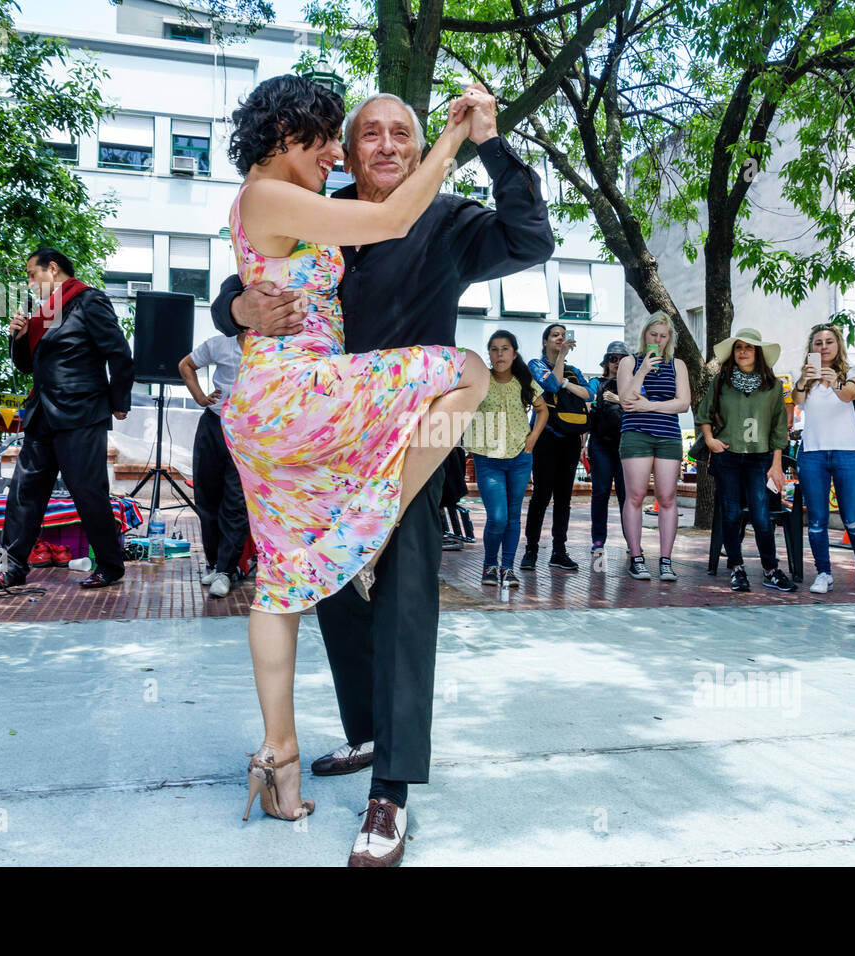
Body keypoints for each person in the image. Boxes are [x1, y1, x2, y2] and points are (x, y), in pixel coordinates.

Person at [212, 85, 553, 866]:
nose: (386, 145)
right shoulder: (312, 200)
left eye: (405, 132)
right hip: (322, 430)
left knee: (401, 605)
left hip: (414, 434)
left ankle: (390, 793)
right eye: (369, 135)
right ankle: (366, 731)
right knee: (323, 590)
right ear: (348, 147)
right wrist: (236, 310)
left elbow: (531, 239)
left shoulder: (448, 215)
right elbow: (244, 281)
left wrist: (490, 146)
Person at [0, 248, 134, 590]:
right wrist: (17, 337)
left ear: (52, 269)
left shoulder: (89, 301)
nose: (30, 283)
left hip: (82, 410)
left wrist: (118, 400)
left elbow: (119, 353)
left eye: (32, 275)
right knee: (24, 490)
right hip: (42, 412)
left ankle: (111, 566)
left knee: (87, 492)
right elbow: (28, 365)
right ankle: (11, 565)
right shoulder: (45, 313)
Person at [698, 328, 798, 593]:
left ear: (758, 353)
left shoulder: (774, 386)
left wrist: (776, 465)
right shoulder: (722, 381)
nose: (743, 351)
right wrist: (710, 440)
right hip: (727, 456)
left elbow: (779, 428)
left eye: (749, 347)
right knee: (730, 514)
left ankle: (770, 570)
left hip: (760, 459)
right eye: (739, 347)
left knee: (762, 516)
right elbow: (704, 414)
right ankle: (737, 569)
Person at [792, 323, 855, 594]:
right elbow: (796, 400)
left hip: (848, 452)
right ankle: (823, 573)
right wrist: (805, 379)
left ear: (838, 345)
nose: (824, 347)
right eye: (818, 342)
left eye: (829, 341)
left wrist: (833, 380)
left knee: (852, 518)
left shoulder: (852, 371)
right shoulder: (805, 375)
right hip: (813, 453)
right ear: (811, 348)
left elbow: (849, 395)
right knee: (817, 520)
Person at [463, 330, 547, 586]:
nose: (500, 354)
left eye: (505, 349)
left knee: (512, 517)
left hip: (520, 458)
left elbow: (543, 411)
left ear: (514, 353)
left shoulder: (525, 380)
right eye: (494, 349)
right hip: (488, 459)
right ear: (489, 354)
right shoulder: (480, 380)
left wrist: (532, 438)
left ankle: (507, 568)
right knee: (497, 517)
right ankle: (490, 565)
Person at [617, 314, 690, 581]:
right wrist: (643, 371)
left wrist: (649, 405)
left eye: (663, 336)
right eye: (653, 335)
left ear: (669, 339)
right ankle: (636, 557)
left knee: (668, 498)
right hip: (636, 434)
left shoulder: (677, 365)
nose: (657, 341)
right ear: (644, 335)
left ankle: (666, 560)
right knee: (635, 496)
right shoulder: (629, 362)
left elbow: (683, 404)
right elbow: (626, 400)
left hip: (668, 435)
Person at [178, 334, 249, 598]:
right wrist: (199, 397)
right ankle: (214, 563)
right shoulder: (220, 343)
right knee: (206, 497)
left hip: (246, 431)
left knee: (235, 500)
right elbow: (185, 365)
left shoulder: (270, 346)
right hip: (212, 423)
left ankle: (226, 570)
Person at [521, 323, 592, 571]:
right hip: (545, 437)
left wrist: (566, 383)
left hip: (570, 439)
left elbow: (589, 393)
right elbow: (551, 384)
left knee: (564, 498)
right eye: (555, 335)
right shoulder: (535, 365)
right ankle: (531, 549)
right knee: (541, 495)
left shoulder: (573, 371)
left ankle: (559, 551)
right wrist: (561, 360)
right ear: (545, 341)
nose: (560, 338)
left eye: (563, 335)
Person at [586, 340, 628, 568]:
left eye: (622, 359)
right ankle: (598, 540)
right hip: (600, 443)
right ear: (606, 362)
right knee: (600, 492)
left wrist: (620, 399)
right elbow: (587, 398)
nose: (617, 363)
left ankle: (631, 540)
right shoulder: (597, 382)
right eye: (613, 358)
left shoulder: (633, 384)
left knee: (626, 495)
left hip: (626, 446)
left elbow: (643, 404)